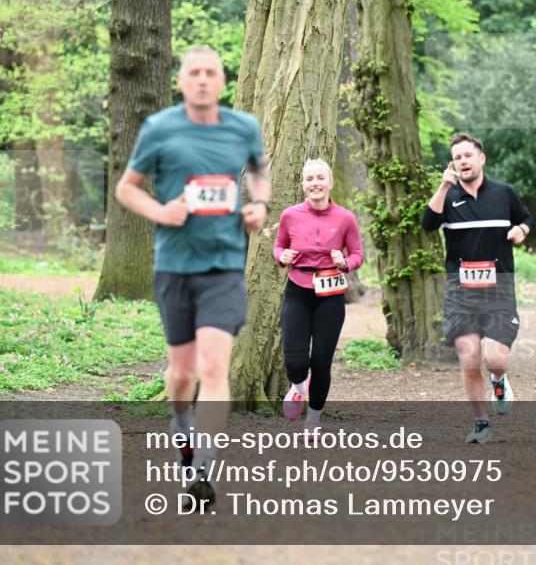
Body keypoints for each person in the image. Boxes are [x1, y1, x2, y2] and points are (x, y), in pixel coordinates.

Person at [116, 45, 270, 508]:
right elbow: (127, 189)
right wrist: (161, 211)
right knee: (181, 376)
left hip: (223, 266)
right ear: (181, 81)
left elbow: (260, 174)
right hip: (174, 266)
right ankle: (182, 431)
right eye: (194, 73)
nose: (202, 80)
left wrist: (257, 206)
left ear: (222, 81)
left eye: (211, 73)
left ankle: (204, 466)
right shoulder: (159, 129)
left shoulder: (243, 127)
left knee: (212, 367)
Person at [422, 133, 533, 444]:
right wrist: (443, 186)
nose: (463, 161)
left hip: (499, 288)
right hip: (461, 290)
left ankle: (499, 380)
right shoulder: (449, 196)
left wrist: (521, 230)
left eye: (468, 155)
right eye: (457, 157)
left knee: (495, 358)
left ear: (481, 158)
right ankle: (481, 423)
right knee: (469, 358)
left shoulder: (503, 193)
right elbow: (428, 223)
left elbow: (526, 218)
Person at [274, 159, 363, 440]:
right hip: (298, 288)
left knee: (321, 361)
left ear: (330, 183)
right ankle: (299, 388)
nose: (315, 183)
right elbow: (279, 246)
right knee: (295, 360)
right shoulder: (290, 215)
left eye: (320, 178)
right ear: (303, 184)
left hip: (331, 294)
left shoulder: (345, 218)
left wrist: (345, 262)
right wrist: (282, 256)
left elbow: (358, 254)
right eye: (309, 178)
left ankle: (313, 418)